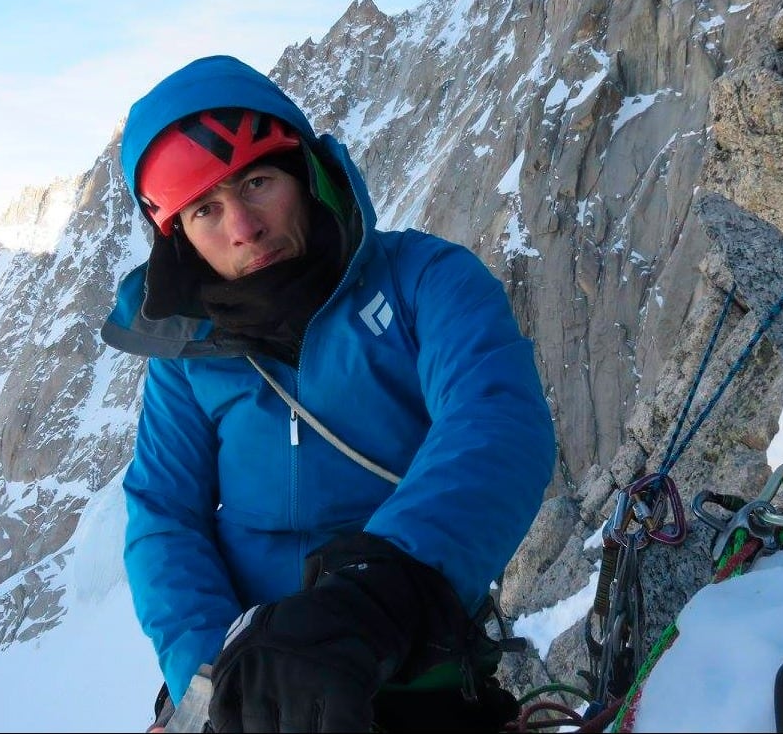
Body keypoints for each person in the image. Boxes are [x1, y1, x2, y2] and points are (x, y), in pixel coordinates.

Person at [101, 54, 556, 733]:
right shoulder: (186, 357)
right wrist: (209, 675)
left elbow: (495, 421)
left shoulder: (424, 281)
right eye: (205, 211)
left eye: (257, 182)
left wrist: (371, 597)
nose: (242, 227)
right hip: (245, 688)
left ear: (306, 175)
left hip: (407, 661)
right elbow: (165, 513)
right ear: (182, 241)